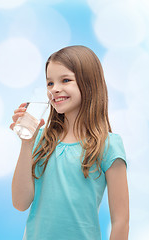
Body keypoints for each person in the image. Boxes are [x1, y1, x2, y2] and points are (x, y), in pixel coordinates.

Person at [10, 45, 129, 240]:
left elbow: (121, 221)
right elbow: (20, 203)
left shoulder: (109, 145)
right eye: (49, 83)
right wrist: (26, 143)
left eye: (65, 80)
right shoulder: (39, 140)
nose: (55, 89)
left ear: (89, 83)